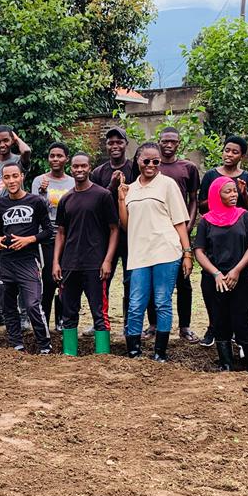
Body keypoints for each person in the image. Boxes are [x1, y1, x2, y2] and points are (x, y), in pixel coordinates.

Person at [115, 141, 192, 362]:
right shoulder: (130, 188)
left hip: (166, 251)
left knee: (162, 301)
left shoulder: (167, 184)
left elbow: (179, 221)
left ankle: (160, 353)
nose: (151, 165)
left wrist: (187, 252)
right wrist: (121, 199)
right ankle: (134, 352)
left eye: (155, 161)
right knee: (136, 302)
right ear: (137, 160)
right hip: (139, 253)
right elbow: (127, 225)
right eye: (146, 160)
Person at [192, 177, 248, 374]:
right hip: (215, 282)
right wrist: (216, 274)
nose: (233, 195)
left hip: (242, 278)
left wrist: (236, 270)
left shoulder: (245, 216)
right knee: (219, 323)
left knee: (243, 323)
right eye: (227, 191)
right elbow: (199, 250)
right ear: (216, 194)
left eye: (234, 191)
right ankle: (226, 367)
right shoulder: (206, 221)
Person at [52, 153, 119, 356]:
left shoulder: (102, 196)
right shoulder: (66, 199)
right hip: (70, 264)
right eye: (75, 167)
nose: (79, 170)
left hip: (95, 264)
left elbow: (114, 229)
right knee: (68, 312)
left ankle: (103, 356)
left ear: (90, 168)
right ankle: (69, 354)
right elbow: (61, 232)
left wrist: (107, 260)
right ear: (70, 169)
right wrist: (56, 262)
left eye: (83, 166)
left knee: (99, 312)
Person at [198, 135, 248, 347]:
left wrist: (242, 193)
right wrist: (218, 193)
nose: (229, 155)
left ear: (242, 155)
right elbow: (202, 205)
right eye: (227, 150)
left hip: (238, 233)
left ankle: (241, 336)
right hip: (216, 232)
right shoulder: (211, 176)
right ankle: (214, 329)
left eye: (234, 152)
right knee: (216, 302)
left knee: (242, 305)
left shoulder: (247, 179)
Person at [0, 162, 54, 354]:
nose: (11, 181)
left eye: (15, 176)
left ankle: (45, 346)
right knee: (7, 306)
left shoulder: (35, 201)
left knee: (32, 305)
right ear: (3, 181)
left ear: (22, 177)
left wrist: (29, 239)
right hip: (7, 262)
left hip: (28, 261)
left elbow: (48, 231)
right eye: (7, 177)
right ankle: (16, 345)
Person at [91, 127, 142, 333]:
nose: (115, 146)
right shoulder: (98, 172)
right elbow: (94, 202)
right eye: (111, 142)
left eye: (119, 142)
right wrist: (111, 186)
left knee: (131, 280)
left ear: (125, 144)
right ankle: (100, 321)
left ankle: (129, 324)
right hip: (106, 235)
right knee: (103, 279)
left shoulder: (135, 169)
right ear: (106, 146)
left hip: (131, 233)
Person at [154, 127, 202, 343]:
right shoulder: (151, 165)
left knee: (183, 280)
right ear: (159, 141)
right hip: (155, 232)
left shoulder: (188, 168)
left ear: (179, 143)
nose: (169, 145)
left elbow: (193, 199)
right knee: (153, 278)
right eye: (165, 141)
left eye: (173, 141)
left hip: (179, 231)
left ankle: (184, 326)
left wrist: (188, 225)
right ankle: (153, 324)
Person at [0, 125, 32, 325]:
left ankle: (23, 314)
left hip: (16, 222)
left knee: (19, 270)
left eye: (6, 140)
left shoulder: (18, 161)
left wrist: (16, 137)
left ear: (12, 140)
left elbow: (27, 151)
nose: (2, 144)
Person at [31, 142, 75, 330]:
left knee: (66, 279)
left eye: (59, 156)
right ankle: (43, 321)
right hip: (48, 235)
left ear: (66, 158)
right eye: (52, 155)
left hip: (69, 235)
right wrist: (42, 193)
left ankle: (61, 320)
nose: (55, 159)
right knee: (49, 278)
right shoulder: (39, 181)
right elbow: (36, 209)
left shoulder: (72, 182)